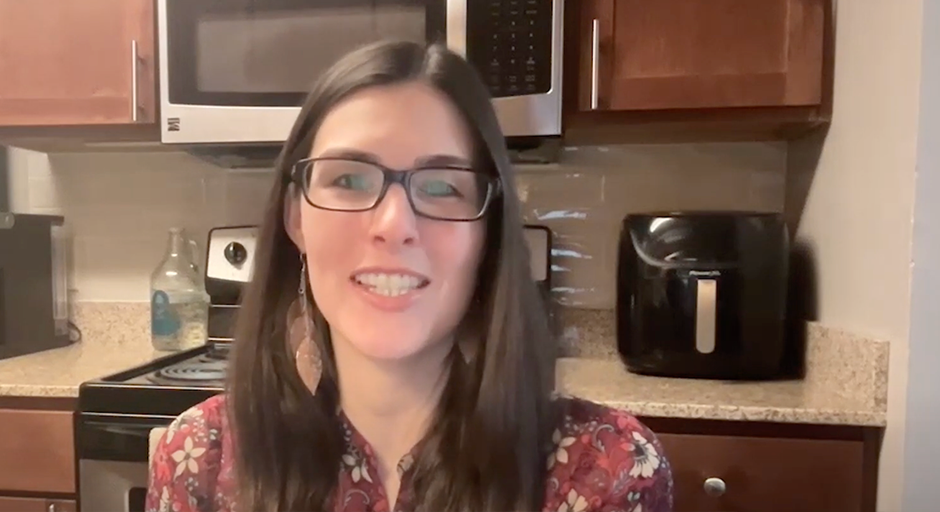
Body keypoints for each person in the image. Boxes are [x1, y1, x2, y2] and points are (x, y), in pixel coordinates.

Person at [146, 40, 673, 512]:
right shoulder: (200, 458)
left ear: (488, 232)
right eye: (348, 180)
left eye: (443, 188)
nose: (394, 225)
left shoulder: (604, 467)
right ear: (294, 218)